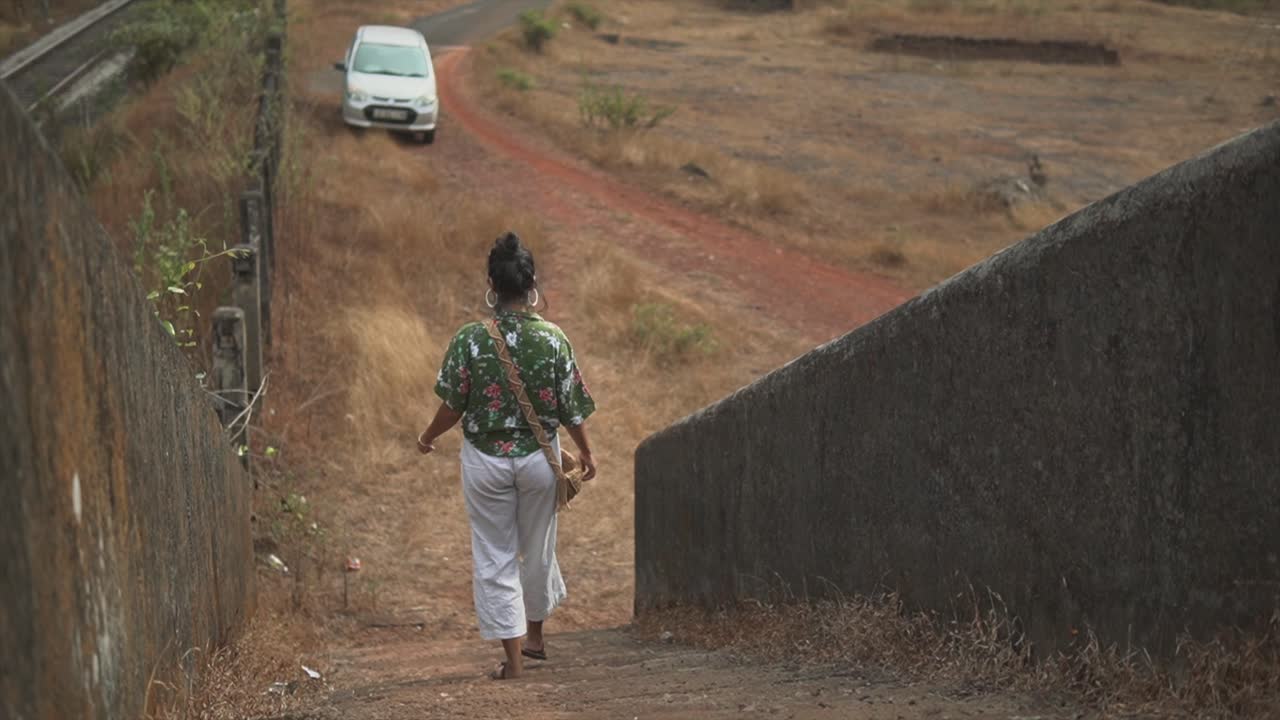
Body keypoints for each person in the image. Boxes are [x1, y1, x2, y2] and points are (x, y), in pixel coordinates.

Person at [416, 232, 597, 680]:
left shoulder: (470, 339)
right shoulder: (553, 339)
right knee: (537, 549)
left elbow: (453, 405)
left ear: (491, 286)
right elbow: (571, 407)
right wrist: (586, 452)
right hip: (539, 462)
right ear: (531, 285)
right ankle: (535, 637)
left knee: (494, 555)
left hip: (485, 461)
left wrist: (427, 436)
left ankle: (514, 661)